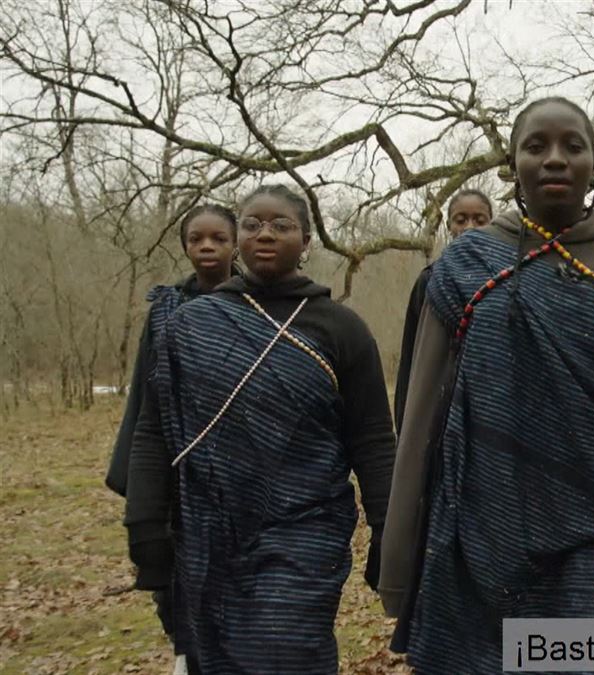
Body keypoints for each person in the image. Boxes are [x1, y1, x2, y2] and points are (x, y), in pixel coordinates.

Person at [378, 97, 594, 672]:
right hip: (480, 530)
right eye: (536, 146)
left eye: (572, 146)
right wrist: (398, 560)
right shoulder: (464, 265)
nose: (555, 159)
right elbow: (420, 417)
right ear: (513, 163)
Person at [123, 184, 396, 673]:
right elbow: (154, 431)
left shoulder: (341, 328)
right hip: (206, 531)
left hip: (304, 528)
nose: (265, 234)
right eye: (252, 225)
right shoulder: (190, 325)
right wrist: (145, 527)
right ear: (238, 238)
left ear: (307, 240)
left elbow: (373, 442)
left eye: (281, 225)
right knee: (217, 658)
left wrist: (387, 531)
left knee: (286, 650)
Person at [105, 203, 237, 675]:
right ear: (184, 244)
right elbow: (147, 400)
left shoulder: (257, 305)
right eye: (196, 238)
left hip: (238, 469)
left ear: (234, 244)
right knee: (178, 594)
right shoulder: (167, 310)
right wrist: (143, 500)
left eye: (217, 238)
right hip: (177, 465)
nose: (206, 247)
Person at [393, 189, 493, 430]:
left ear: (492, 224)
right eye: (461, 220)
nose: (469, 227)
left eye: (480, 220)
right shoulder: (430, 281)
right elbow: (411, 359)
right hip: (440, 408)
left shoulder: (508, 277)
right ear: (449, 226)